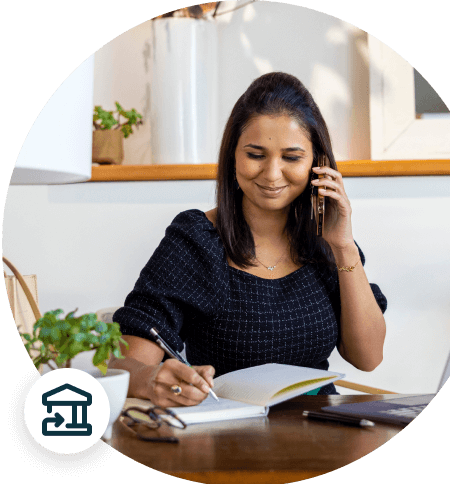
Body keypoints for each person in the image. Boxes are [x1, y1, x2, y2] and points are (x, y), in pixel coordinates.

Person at [109, 72, 387, 407]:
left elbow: (368, 357)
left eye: (292, 157)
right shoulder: (197, 239)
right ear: (233, 157)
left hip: (322, 431)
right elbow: (126, 364)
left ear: (319, 163)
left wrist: (343, 246)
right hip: (228, 434)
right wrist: (151, 379)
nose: (272, 174)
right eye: (256, 155)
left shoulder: (326, 244)